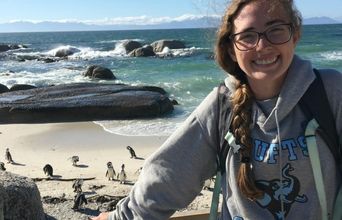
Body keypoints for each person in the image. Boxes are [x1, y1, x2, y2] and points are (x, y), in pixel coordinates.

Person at [92, 0, 342, 219]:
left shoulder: (329, 92)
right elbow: (168, 177)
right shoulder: (222, 105)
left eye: (276, 30)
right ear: (232, 49)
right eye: (247, 36)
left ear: (295, 35)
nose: (262, 45)